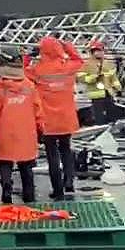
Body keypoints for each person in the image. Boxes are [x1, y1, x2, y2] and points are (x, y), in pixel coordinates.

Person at [26, 36, 83, 199]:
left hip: (48, 120)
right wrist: (67, 46)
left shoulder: (37, 70)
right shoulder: (68, 68)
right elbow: (79, 60)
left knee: (52, 155)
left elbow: (21, 71)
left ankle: (57, 189)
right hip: (66, 118)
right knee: (66, 149)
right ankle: (69, 182)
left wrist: (29, 55)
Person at [0, 45, 44, 204]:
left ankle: (6, 187)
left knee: (4, 162)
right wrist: (41, 128)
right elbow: (37, 109)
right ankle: (29, 196)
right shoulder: (29, 85)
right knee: (26, 167)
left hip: (5, 131)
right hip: (26, 131)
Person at [79, 39, 121, 124]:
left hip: (109, 93)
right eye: (95, 51)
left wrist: (118, 88)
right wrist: (93, 78)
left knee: (112, 115)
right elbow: (81, 78)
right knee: (99, 117)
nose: (98, 53)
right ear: (92, 52)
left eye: (99, 50)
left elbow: (113, 78)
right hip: (96, 95)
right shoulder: (86, 65)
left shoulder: (108, 64)